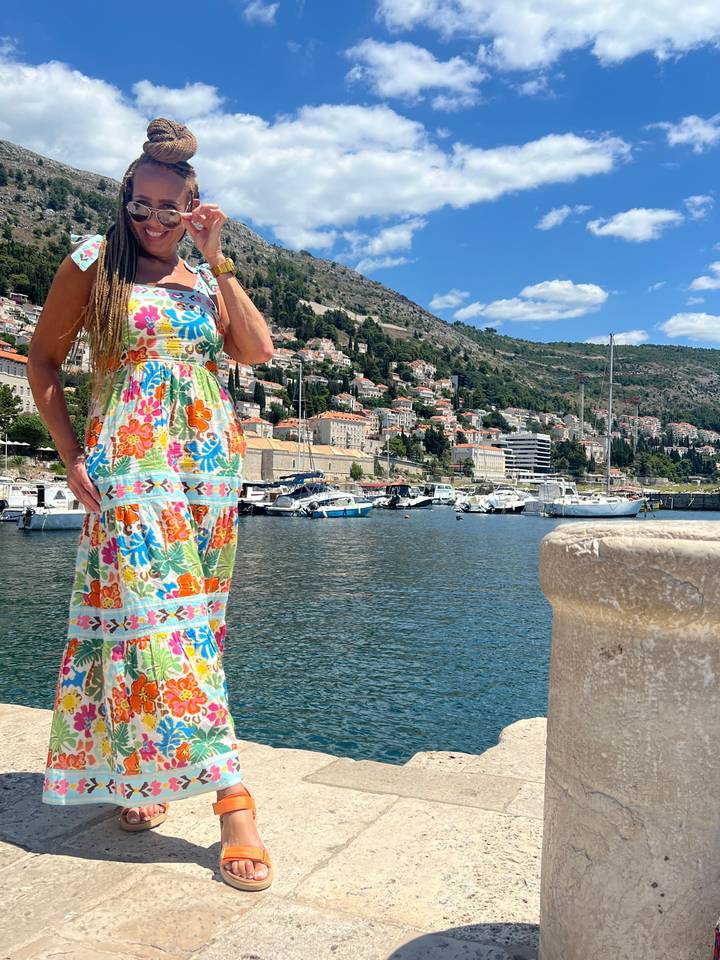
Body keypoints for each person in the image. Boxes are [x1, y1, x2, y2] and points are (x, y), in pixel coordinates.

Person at [27, 117, 275, 892]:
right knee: (158, 620)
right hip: (130, 465)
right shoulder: (93, 261)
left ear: (195, 207)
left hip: (207, 470)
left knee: (184, 624)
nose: (155, 220)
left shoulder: (205, 277)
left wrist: (216, 257)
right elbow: (42, 358)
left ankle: (143, 775)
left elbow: (256, 353)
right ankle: (234, 800)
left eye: (173, 208)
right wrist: (70, 455)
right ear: (124, 199)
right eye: (143, 205)